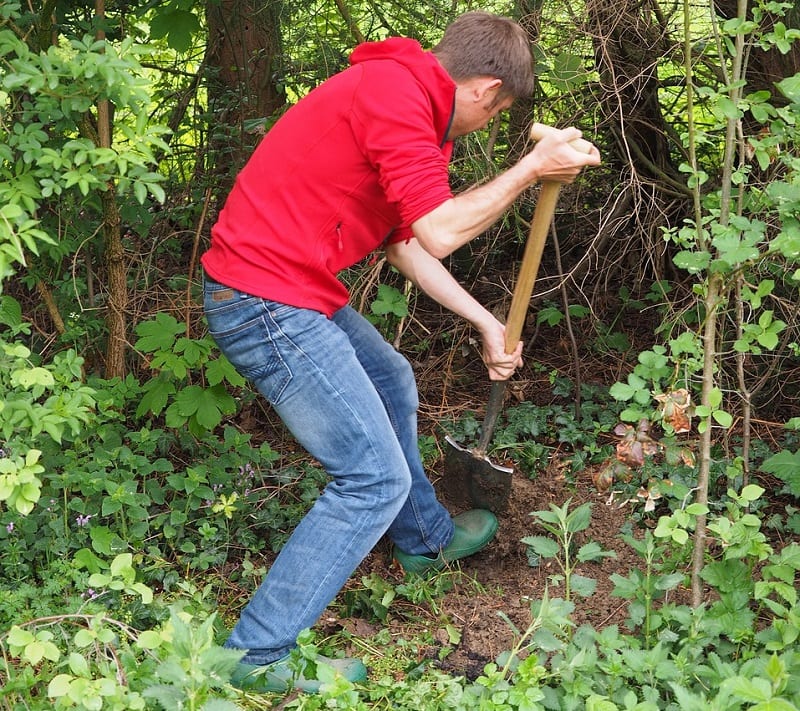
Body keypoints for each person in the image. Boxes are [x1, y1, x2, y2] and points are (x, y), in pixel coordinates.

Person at [201, 10, 600, 694]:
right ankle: (255, 655)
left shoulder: (415, 109)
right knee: (370, 477)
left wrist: (486, 321)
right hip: (262, 298)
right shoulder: (394, 97)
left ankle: (424, 538)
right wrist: (531, 168)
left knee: (391, 377)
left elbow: (408, 244)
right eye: (497, 110)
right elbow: (442, 231)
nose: (490, 120)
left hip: (293, 290)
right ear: (484, 91)